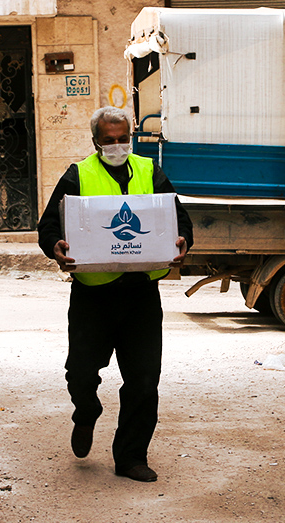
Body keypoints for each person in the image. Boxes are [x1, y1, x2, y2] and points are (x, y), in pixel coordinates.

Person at [37, 106, 194, 482]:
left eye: (123, 139)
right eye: (109, 141)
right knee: (80, 372)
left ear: (131, 137)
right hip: (94, 297)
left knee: (143, 379)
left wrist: (183, 240)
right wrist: (55, 247)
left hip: (141, 295)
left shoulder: (150, 171)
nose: (117, 146)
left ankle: (130, 457)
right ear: (96, 142)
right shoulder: (78, 175)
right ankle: (86, 411)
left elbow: (179, 218)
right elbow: (49, 226)